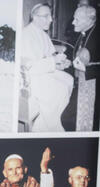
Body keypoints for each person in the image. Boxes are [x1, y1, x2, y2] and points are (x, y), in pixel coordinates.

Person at [19, 3, 73, 131]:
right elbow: (30, 68)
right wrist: (54, 61)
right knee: (59, 89)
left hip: (42, 73)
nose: (51, 19)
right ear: (35, 17)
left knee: (68, 79)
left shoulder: (42, 34)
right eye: (46, 16)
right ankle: (53, 127)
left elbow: (50, 55)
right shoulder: (26, 35)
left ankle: (42, 126)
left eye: (50, 16)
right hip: (31, 79)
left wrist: (60, 64)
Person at [70, 4, 98, 130]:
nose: (72, 22)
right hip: (82, 85)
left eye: (77, 19)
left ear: (89, 20)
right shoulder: (84, 32)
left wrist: (87, 69)